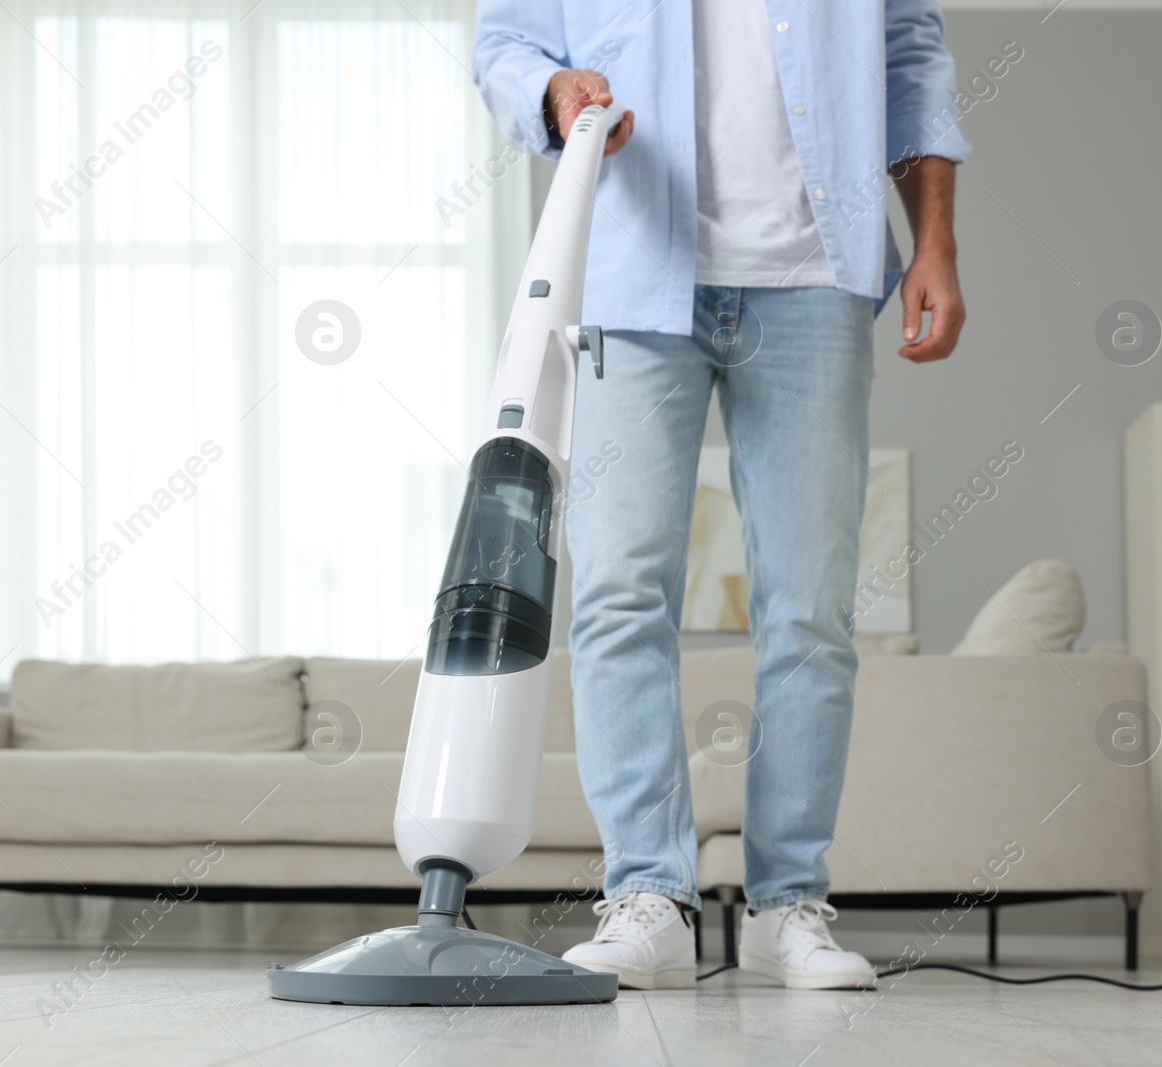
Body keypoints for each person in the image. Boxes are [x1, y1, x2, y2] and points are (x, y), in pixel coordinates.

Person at [473, 1, 969, 990]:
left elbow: (910, 53)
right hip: (629, 272)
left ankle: (787, 902)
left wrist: (935, 244)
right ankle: (647, 892)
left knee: (810, 611)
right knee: (619, 593)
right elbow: (505, 40)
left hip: (814, 276)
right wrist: (551, 88)